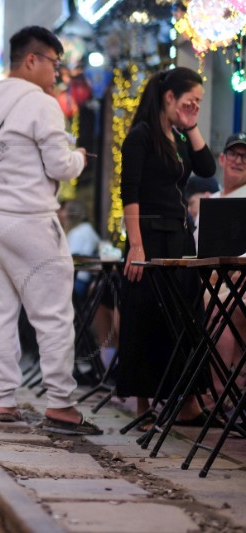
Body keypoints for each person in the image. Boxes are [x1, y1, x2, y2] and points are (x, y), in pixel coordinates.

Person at [0, 25, 97, 434]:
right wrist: (80, 157)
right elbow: (59, 166)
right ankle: (61, 404)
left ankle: (4, 399)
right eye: (54, 63)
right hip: (30, 217)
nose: (58, 73)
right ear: (31, 60)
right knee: (52, 313)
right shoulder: (41, 103)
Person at [117, 66, 217, 430]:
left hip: (179, 235)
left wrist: (191, 126)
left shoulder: (178, 137)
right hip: (149, 236)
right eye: (189, 102)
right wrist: (136, 246)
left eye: (199, 104)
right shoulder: (140, 136)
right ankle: (143, 403)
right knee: (146, 315)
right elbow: (130, 192)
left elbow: (206, 168)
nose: (194, 107)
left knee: (187, 316)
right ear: (168, 97)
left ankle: (188, 401)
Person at [194, 133, 246, 401]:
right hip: (208, 279)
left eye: (244, 156)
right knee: (178, 297)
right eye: (234, 154)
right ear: (223, 159)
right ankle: (189, 391)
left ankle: (215, 396)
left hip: (237, 281)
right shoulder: (209, 201)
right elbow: (195, 248)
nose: (239, 160)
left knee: (217, 306)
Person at [58, 200, 100, 298]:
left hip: (76, 282)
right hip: (84, 281)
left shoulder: (78, 233)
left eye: (64, 210)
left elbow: (67, 261)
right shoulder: (87, 229)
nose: (61, 214)